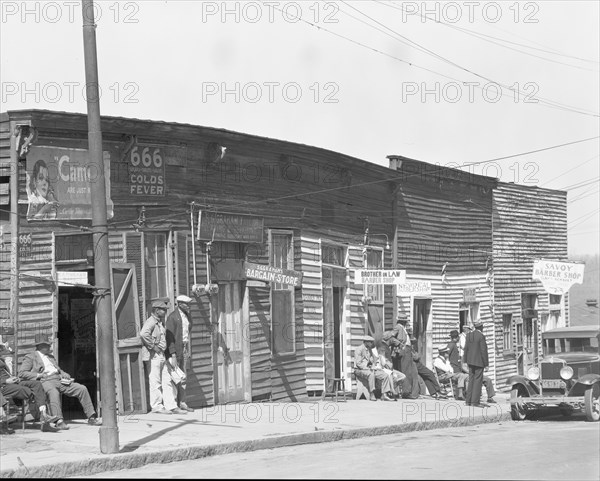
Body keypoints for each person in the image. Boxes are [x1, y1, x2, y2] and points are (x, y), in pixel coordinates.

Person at [18, 334, 98, 430]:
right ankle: (59, 421)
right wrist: (39, 375)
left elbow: (58, 369)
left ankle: (91, 417)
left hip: (58, 379)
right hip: (44, 381)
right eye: (47, 345)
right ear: (40, 346)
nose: (49, 346)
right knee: (53, 392)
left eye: (49, 344)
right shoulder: (31, 357)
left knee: (81, 388)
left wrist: (64, 373)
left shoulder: (50, 357)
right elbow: (22, 373)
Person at [141, 300, 186, 415]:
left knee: (166, 380)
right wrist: (153, 346)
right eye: (163, 310)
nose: (165, 312)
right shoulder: (151, 321)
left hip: (161, 355)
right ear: (156, 311)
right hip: (154, 355)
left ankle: (171, 406)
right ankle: (157, 407)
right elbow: (143, 334)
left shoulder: (159, 322)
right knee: (155, 381)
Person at [166, 294, 195, 412]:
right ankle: (173, 405)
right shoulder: (172, 317)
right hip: (175, 350)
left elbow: (188, 330)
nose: (188, 306)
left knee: (183, 376)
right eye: (186, 304)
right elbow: (169, 337)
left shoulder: (187, 316)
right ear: (179, 304)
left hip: (184, 348)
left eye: (189, 304)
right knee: (174, 377)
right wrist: (172, 353)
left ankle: (182, 402)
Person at [354, 335, 393, 401]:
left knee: (385, 375)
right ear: (366, 342)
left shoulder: (369, 350)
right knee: (371, 374)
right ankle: (372, 393)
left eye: (372, 342)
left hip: (368, 369)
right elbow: (358, 363)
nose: (371, 344)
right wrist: (368, 368)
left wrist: (373, 364)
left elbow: (370, 360)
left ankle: (384, 394)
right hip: (359, 370)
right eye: (370, 342)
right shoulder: (359, 349)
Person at [463, 319, 489, 407]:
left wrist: (465, 361)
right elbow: (483, 350)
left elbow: (466, 349)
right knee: (478, 381)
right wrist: (486, 364)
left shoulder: (469, 335)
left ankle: (468, 401)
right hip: (479, 362)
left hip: (470, 361)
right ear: (481, 326)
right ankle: (475, 402)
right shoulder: (481, 336)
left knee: (471, 380)